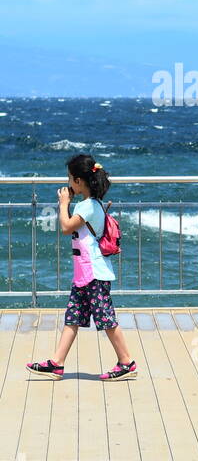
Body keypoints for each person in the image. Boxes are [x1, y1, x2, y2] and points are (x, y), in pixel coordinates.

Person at [26, 154, 137, 381]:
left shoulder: (88, 206)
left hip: (94, 273)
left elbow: (67, 227)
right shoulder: (89, 204)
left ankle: (126, 362)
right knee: (73, 317)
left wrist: (63, 204)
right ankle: (57, 363)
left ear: (78, 181)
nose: (68, 184)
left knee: (106, 318)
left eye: (69, 179)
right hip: (84, 274)